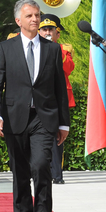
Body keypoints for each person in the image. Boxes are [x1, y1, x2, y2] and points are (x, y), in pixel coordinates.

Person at [0, 0, 70, 212]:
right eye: (30, 16)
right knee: (21, 172)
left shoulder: (52, 49)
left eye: (37, 15)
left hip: (43, 119)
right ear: (18, 21)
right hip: (15, 120)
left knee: (41, 167)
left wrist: (63, 123)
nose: (35, 19)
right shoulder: (6, 48)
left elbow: (59, 88)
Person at [38, 13, 75, 184]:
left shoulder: (63, 50)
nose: (47, 32)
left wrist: (53, 48)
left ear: (57, 33)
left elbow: (67, 69)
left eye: (50, 30)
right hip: (39, 99)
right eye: (44, 29)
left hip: (57, 99)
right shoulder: (34, 49)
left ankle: (57, 174)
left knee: (57, 137)